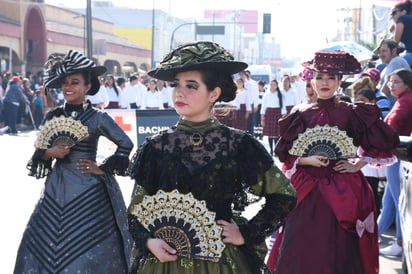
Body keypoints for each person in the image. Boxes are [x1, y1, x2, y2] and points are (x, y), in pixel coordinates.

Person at [126, 41, 297, 274]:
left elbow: (283, 195)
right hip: (165, 262)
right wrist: (149, 242)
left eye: (191, 86)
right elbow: (136, 211)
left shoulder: (239, 145)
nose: (180, 92)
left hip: (221, 260)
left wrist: (245, 234)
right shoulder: (156, 146)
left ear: (213, 94)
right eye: (176, 85)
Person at [266, 50, 400, 274]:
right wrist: (306, 159)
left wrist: (358, 163)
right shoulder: (300, 113)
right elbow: (286, 152)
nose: (324, 83)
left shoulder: (352, 112)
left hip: (343, 189)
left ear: (339, 81)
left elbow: (383, 140)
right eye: (319, 77)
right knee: (297, 242)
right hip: (305, 189)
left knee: (338, 247)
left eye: (330, 77)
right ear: (312, 79)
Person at [14, 50, 134, 273]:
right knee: (47, 239)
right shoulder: (53, 115)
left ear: (87, 87)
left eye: (75, 82)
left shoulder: (98, 117)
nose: (68, 87)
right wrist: (51, 152)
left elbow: (125, 143)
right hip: (57, 187)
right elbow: (39, 152)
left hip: (90, 189)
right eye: (65, 83)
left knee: (89, 243)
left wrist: (103, 168)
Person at [378, 68, 412, 256]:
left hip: (400, 159)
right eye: (390, 81)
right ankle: (373, 234)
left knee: (399, 202)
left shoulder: (405, 102)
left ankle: (399, 242)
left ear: (407, 82)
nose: (391, 85)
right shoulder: (403, 99)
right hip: (398, 158)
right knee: (390, 200)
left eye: (396, 81)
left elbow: (391, 128)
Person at [375, 39, 411, 106]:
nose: (380, 55)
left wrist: (375, 103)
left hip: (396, 106)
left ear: (394, 51)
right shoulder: (387, 67)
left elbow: (385, 89)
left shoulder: (396, 61)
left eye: (384, 51)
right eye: (379, 52)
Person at [260, 79, 285, 156]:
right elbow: (263, 107)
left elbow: (283, 106)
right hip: (269, 113)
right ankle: (271, 150)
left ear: (277, 86)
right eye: (271, 84)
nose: (272, 86)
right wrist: (262, 118)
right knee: (270, 134)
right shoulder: (266, 94)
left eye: (274, 84)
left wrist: (283, 116)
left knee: (277, 133)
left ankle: (276, 150)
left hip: (277, 113)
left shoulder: (280, 94)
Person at [391, 0, 412, 69]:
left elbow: (395, 41)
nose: (392, 16)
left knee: (393, 67)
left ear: (403, 12)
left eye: (394, 12)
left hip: (410, 54)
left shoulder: (402, 19)